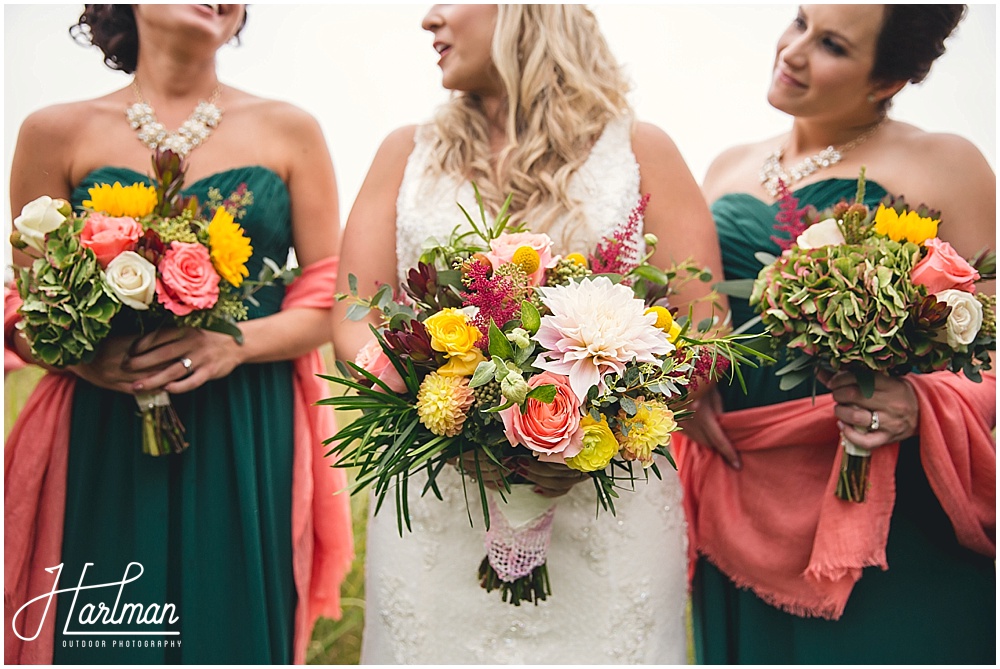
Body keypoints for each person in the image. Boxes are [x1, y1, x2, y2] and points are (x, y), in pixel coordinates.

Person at [332, 4, 725, 664]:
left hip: (603, 508)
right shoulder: (405, 151)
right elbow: (352, 311)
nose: (429, 18)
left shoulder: (638, 148)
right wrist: (434, 406)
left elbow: (706, 330)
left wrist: (600, 422)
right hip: (439, 509)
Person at [4, 5, 353, 664]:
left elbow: (330, 299)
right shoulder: (52, 132)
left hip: (247, 427)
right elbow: (28, 310)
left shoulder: (291, 129)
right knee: (103, 634)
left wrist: (233, 342)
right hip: (103, 430)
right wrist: (89, 360)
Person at [677, 4, 995, 664]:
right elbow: (696, 319)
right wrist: (687, 380)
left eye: (831, 45)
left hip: (886, 512)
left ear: (887, 82)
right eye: (798, 22)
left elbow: (991, 339)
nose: (792, 50)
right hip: (741, 496)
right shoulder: (725, 167)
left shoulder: (945, 163)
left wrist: (919, 402)